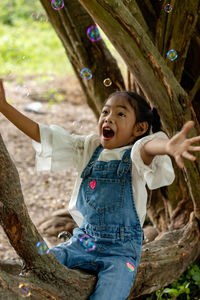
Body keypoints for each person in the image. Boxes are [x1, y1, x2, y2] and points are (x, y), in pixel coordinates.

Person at [1, 78, 200, 300]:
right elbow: (45, 135)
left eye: (120, 114)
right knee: (40, 264)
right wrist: (5, 106)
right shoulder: (89, 148)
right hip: (83, 240)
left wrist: (168, 146)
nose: (108, 118)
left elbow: (148, 147)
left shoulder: (135, 156)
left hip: (121, 251)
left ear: (140, 128)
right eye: (105, 112)